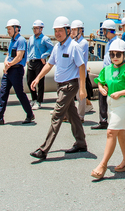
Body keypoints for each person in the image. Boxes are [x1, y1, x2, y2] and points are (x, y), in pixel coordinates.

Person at [30, 17, 87, 161]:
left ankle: (44, 150)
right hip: (60, 85)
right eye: (55, 31)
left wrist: (82, 88)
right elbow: (49, 64)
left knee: (57, 116)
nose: (57, 33)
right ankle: (81, 143)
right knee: (72, 115)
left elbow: (81, 66)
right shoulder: (57, 47)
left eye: (60, 30)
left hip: (69, 86)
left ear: (67, 31)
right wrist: (38, 78)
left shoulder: (74, 46)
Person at [91, 39, 125, 179]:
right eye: (112, 54)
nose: (114, 57)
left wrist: (120, 93)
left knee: (111, 132)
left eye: (118, 54)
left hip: (123, 104)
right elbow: (100, 81)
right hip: (112, 104)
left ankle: (102, 165)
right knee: (120, 132)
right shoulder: (107, 69)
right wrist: (101, 88)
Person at [0, 19, 35, 125]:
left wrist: (9, 65)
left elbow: (19, 56)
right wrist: (6, 63)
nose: (8, 31)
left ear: (16, 28)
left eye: (9, 29)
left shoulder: (21, 40)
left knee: (19, 93)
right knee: (3, 93)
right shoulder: (12, 40)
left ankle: (30, 114)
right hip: (9, 70)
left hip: (16, 70)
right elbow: (8, 55)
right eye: (7, 29)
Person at [92, 20, 119, 130]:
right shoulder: (108, 44)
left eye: (104, 30)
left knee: (116, 98)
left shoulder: (117, 43)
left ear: (109, 31)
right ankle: (103, 120)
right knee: (102, 96)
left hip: (115, 74)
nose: (103, 33)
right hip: (106, 72)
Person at [27, 20, 54, 110]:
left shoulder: (45, 39)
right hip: (31, 62)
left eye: (36, 28)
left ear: (41, 29)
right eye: (33, 28)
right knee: (29, 81)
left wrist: (44, 55)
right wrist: (27, 59)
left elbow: (51, 48)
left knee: (40, 83)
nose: (34, 30)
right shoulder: (31, 38)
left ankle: (39, 101)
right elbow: (28, 49)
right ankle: (34, 99)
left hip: (40, 62)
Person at [71, 20, 90, 121]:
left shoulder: (83, 43)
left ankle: (81, 115)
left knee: (80, 95)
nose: (73, 32)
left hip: (80, 73)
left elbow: (75, 56)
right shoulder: (74, 42)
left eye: (75, 30)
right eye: (72, 30)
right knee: (70, 94)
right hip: (73, 73)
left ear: (80, 30)